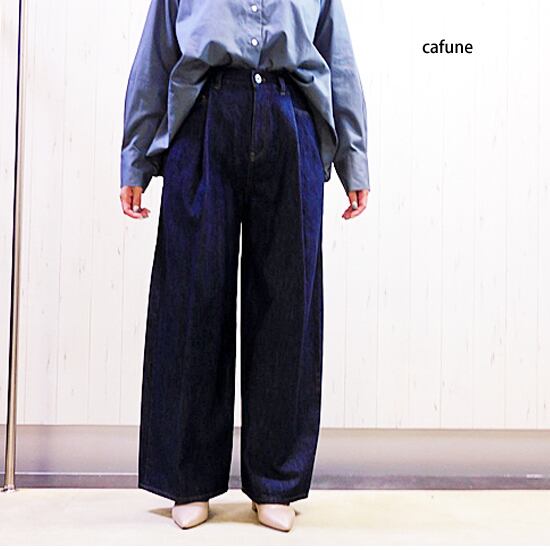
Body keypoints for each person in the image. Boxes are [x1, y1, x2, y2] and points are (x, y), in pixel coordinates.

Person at [119, 0, 370, 532]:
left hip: (291, 118)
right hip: (204, 116)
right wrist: (136, 158)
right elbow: (156, 55)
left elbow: (338, 57)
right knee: (192, 298)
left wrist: (354, 158)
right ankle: (188, 478)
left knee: (287, 307)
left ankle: (276, 482)